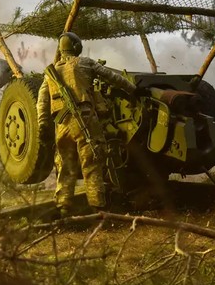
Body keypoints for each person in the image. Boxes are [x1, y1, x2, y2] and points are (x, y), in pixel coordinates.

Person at [36, 32, 139, 216]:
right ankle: (98, 207)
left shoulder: (50, 73)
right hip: (84, 119)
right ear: (76, 47)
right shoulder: (85, 63)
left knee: (65, 166)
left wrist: (43, 123)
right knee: (91, 161)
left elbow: (42, 102)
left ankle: (63, 206)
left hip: (61, 124)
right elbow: (112, 77)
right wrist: (132, 89)